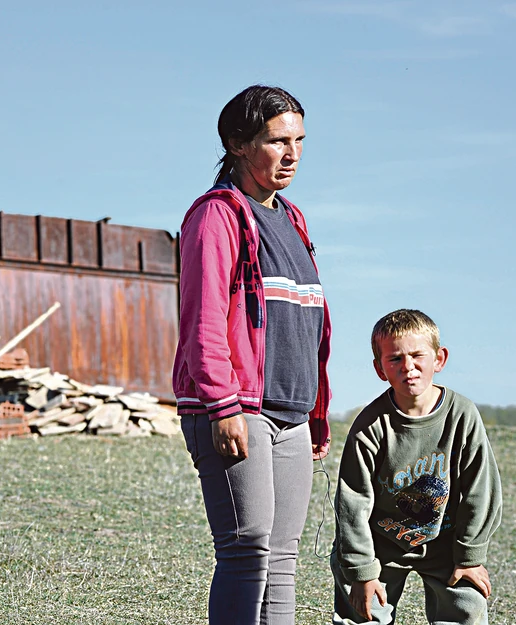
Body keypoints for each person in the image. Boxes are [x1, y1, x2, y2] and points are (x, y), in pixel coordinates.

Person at [173, 84, 332, 625]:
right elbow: (203, 322)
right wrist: (222, 407)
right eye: (277, 141)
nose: (292, 154)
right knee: (246, 550)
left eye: (299, 140)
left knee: (282, 560)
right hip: (238, 408)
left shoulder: (294, 220)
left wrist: (315, 414)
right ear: (238, 143)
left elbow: (308, 327)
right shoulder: (216, 216)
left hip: (291, 413)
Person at [331, 309, 502, 625]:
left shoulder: (462, 416)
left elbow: (480, 491)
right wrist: (361, 570)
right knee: (363, 613)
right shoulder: (370, 425)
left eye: (417, 355)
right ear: (380, 368)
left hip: (445, 544)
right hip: (379, 545)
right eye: (395, 359)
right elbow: (352, 505)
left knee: (467, 607)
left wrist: (470, 557)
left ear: (439, 359)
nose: (408, 367)